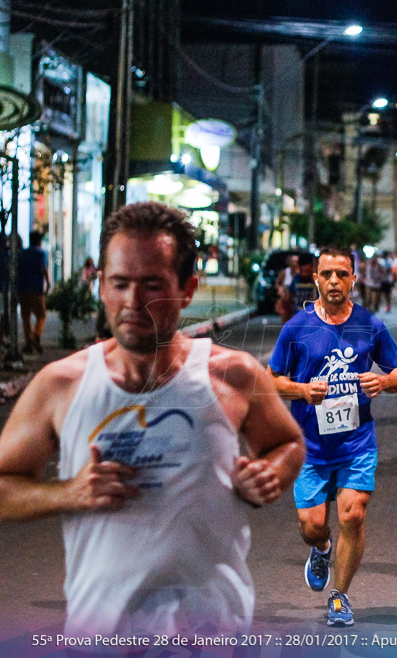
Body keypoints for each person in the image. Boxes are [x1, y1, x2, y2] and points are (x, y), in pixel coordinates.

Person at [0, 202, 305, 637]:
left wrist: (269, 473)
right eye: (120, 284)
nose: (133, 302)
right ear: (101, 286)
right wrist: (66, 493)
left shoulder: (233, 375)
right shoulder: (61, 385)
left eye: (152, 285)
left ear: (187, 289)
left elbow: (287, 444)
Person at [268, 247, 397, 627]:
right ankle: (321, 548)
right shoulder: (296, 328)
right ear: (315, 277)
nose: (334, 281)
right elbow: (272, 380)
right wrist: (301, 391)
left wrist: (384, 380)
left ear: (354, 278)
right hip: (310, 447)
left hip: (356, 443)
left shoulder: (369, 325)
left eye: (342, 274)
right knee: (312, 526)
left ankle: (340, 595)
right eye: (327, 274)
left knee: (354, 515)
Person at [16, 230, 50, 354]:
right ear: (39, 241)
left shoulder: (22, 254)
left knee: (26, 317)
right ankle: (36, 335)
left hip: (23, 289)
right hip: (36, 289)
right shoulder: (41, 253)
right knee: (41, 315)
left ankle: (28, 344)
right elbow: (43, 268)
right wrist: (48, 282)